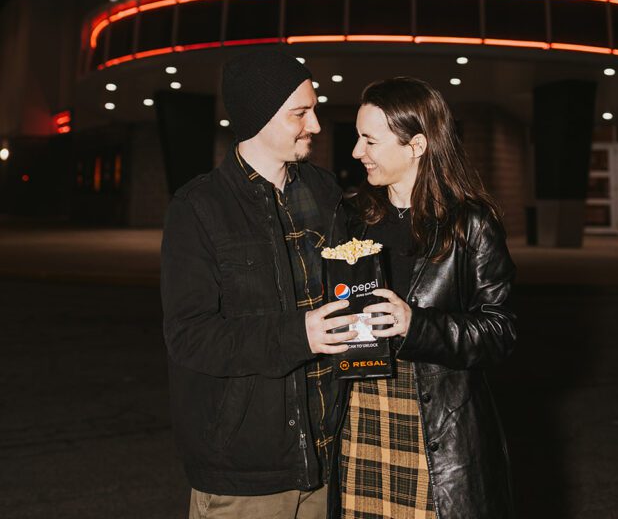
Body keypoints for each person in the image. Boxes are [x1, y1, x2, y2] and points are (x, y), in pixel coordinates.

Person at [160, 47, 357, 519]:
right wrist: (299, 334)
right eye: (300, 113)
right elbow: (189, 336)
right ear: (258, 116)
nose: (315, 125)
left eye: (314, 109)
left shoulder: (324, 190)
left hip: (328, 460)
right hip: (245, 474)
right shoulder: (198, 209)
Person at [328, 76, 517, 519]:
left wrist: (416, 325)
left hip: (435, 428)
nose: (356, 152)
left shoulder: (472, 224)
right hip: (359, 418)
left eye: (369, 140)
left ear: (416, 145)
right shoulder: (352, 216)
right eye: (358, 137)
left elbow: (500, 331)